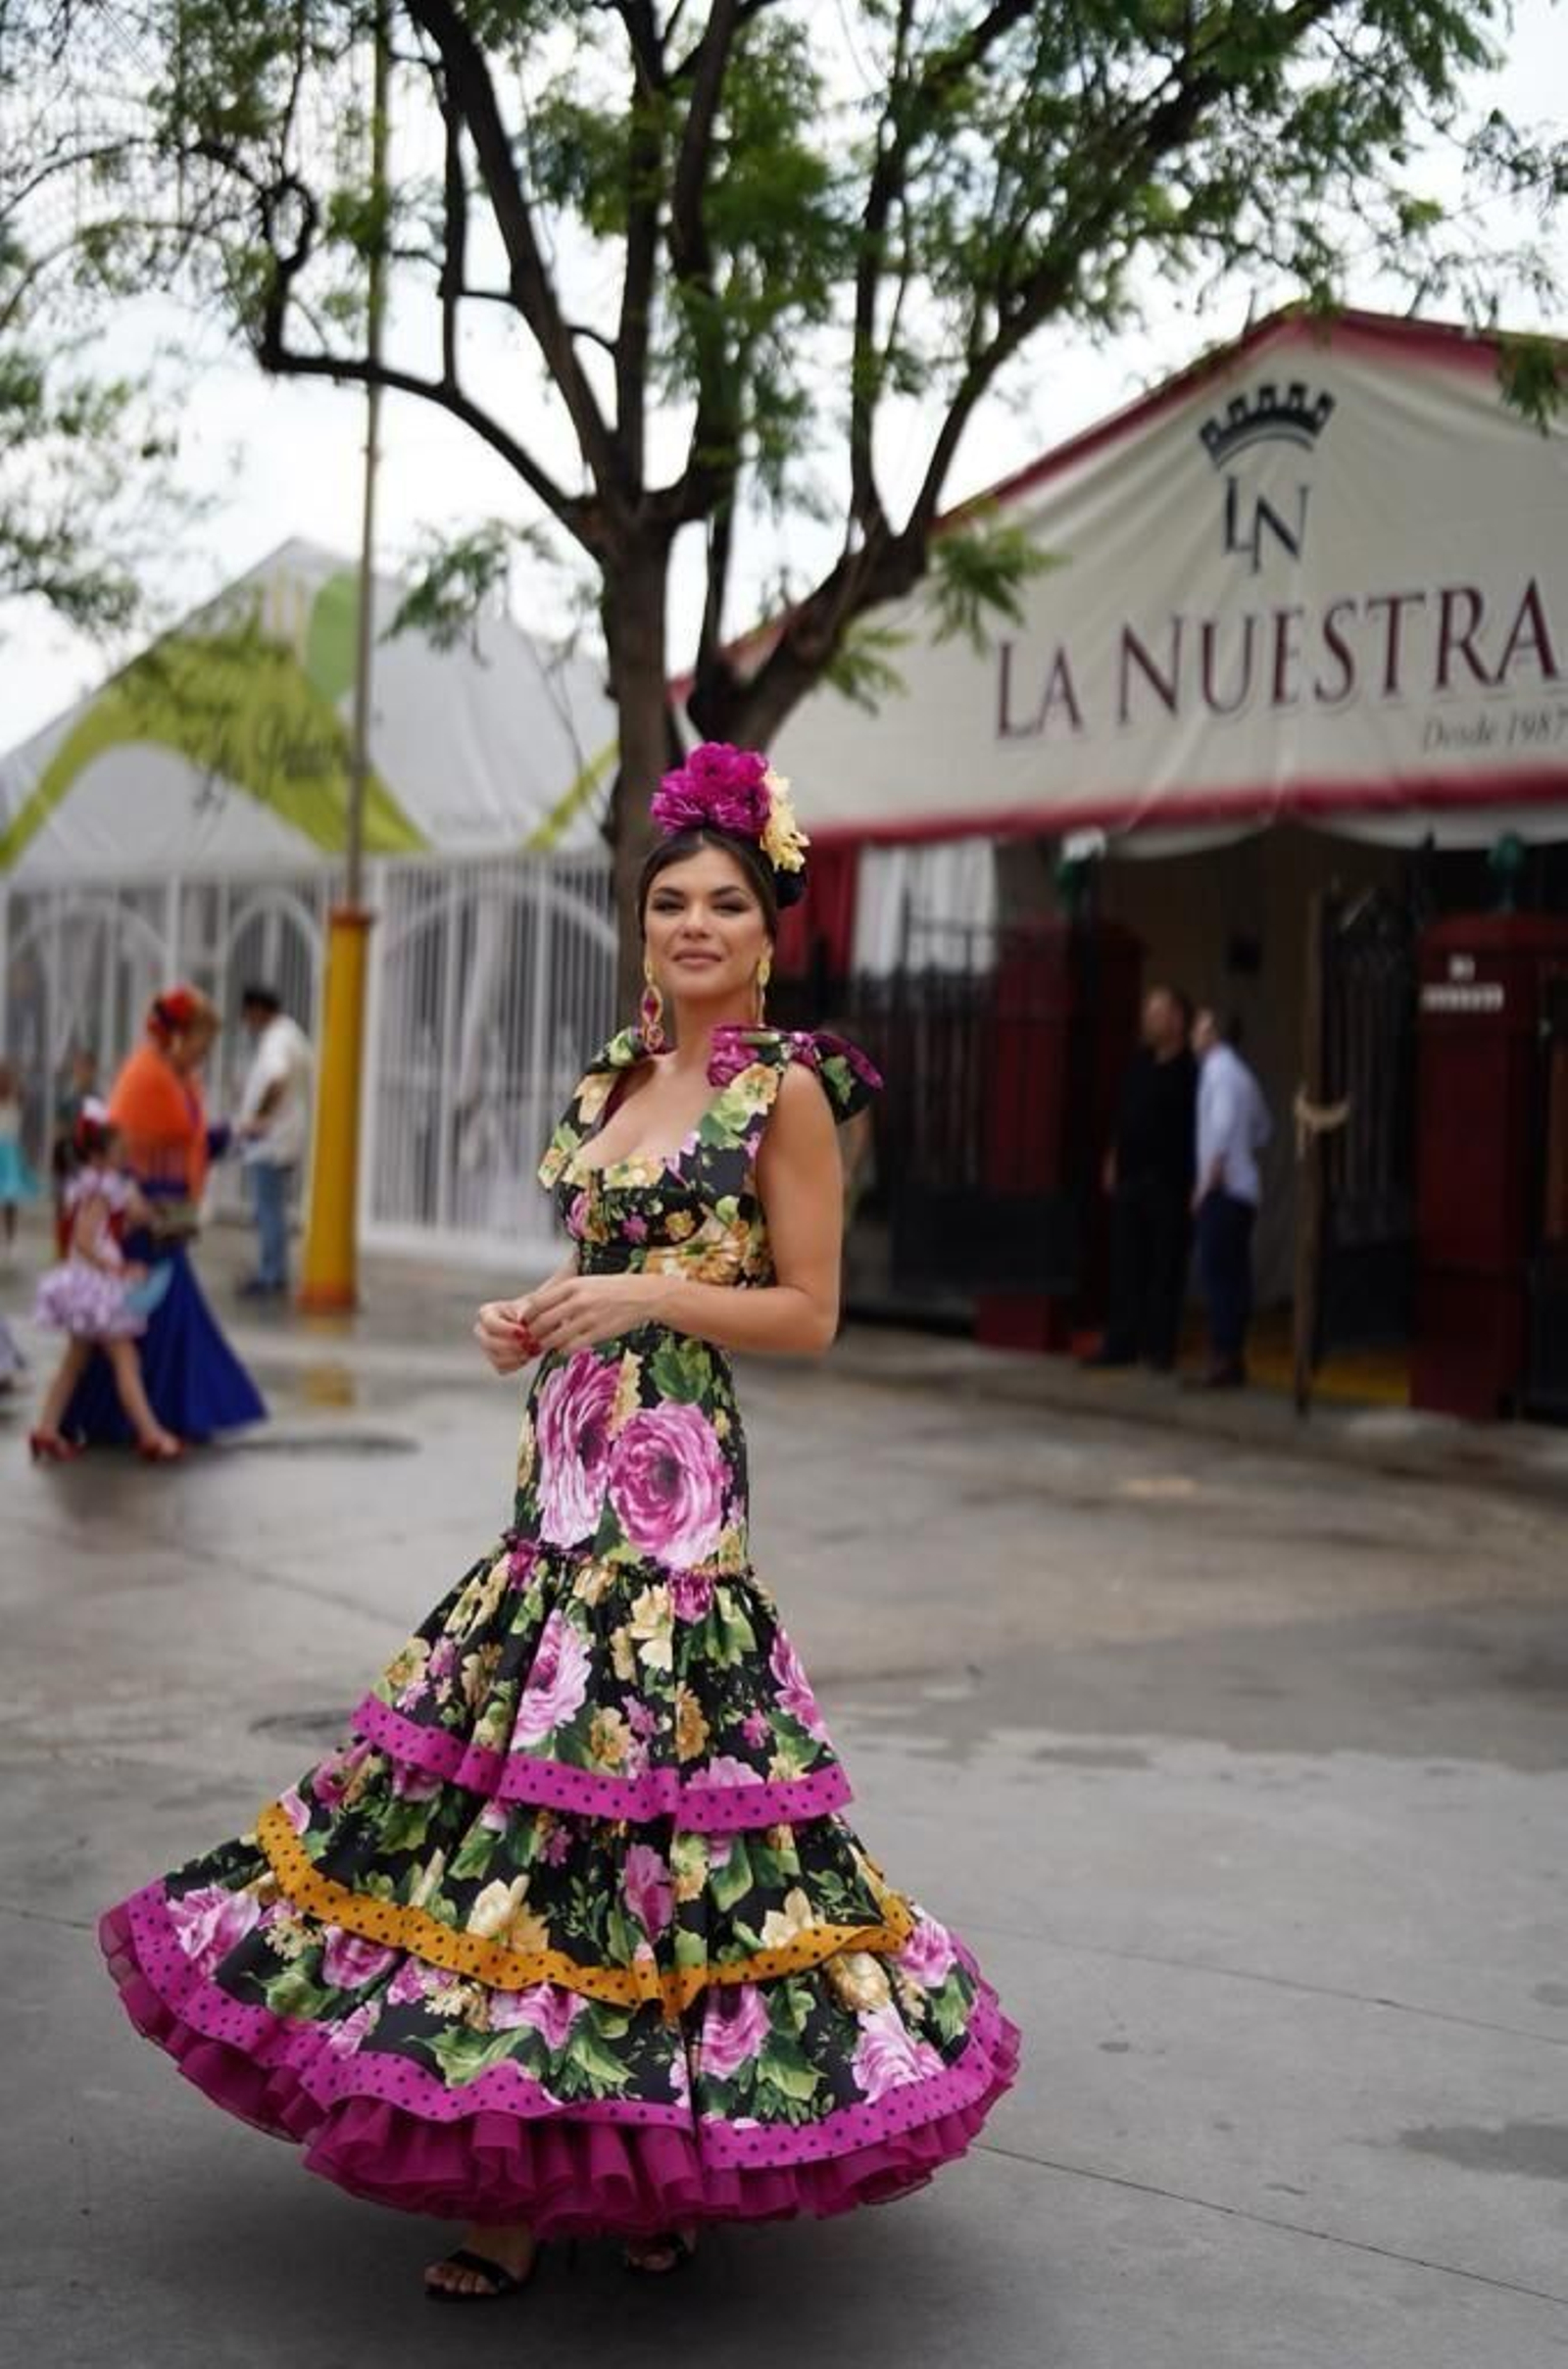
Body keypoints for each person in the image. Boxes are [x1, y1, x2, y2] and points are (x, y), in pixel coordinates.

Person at [100, 745, 1019, 2301]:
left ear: (770, 925)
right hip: (561, 1483)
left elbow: (810, 1315)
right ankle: (567, 2155)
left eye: (727, 901)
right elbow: (597, 1273)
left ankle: (627, 2165)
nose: (696, 927)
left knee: (646, 1816)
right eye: (671, 903)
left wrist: (644, 1294)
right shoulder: (617, 1077)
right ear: (644, 922)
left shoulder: (783, 1089)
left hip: (675, 1507)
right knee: (537, 1804)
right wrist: (534, 1316)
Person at [61, 986, 266, 1446]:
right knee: (155, 1318)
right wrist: (127, 1193)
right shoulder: (144, 1077)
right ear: (178, 1036)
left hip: (169, 1214)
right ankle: (145, 1419)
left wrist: (235, 1132)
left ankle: (147, 1416)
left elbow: (189, 1139)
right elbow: (115, 1145)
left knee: (159, 1320)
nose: (204, 1055)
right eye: (201, 1044)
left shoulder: (179, 1078)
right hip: (143, 1217)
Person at [28, 1102, 183, 1463]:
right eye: (119, 1152)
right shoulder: (100, 1188)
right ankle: (151, 1436)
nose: (125, 1156)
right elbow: (84, 1239)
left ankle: (46, 1431)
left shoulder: (93, 1185)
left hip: (87, 1284)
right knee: (125, 1361)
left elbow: (114, 1224)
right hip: (96, 1288)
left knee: (74, 1363)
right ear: (99, 1156)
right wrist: (115, 1269)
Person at [1085, 985, 1198, 1372]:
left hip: (1168, 1181)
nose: (1149, 1020)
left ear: (1177, 1021)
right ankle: (1121, 1343)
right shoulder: (1139, 1063)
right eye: (1148, 1012)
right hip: (1132, 1177)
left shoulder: (1191, 1071)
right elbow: (1125, 1115)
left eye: (1158, 1013)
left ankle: (1158, 1348)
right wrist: (1113, 1158)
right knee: (1126, 1265)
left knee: (1164, 1268)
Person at [1189, 1008, 1272, 1389]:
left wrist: (1209, 1179)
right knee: (1235, 1274)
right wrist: (1241, 1152)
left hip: (1222, 1188)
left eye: (1200, 1027)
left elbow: (1220, 1127)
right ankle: (1233, 1354)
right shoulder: (1244, 1076)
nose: (1194, 1034)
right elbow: (1263, 1129)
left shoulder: (1218, 1073)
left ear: (1212, 1033)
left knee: (1218, 1274)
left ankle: (1223, 1356)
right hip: (1245, 1189)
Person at [235, 984, 314, 1299]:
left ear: (257, 1010)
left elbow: (276, 1078)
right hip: (285, 1135)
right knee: (273, 1208)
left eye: (247, 1014)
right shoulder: (290, 1034)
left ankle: (272, 1274)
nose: (247, 1022)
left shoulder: (276, 1039)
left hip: (272, 1139)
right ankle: (274, 1270)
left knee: (268, 1210)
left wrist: (257, 1118)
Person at [51, 1046, 100, 1256]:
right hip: (69, 1158)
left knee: (86, 1205)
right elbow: (59, 1131)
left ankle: (83, 1246)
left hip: (88, 1159)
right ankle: (61, 1247)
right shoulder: (67, 1099)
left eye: (85, 1068)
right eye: (78, 1068)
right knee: (62, 1203)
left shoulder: (97, 1099)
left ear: (93, 1070)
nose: (80, 1073)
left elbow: (101, 1131)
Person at [0, 1058, 40, 1260]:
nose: (4, 1081)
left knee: (9, 1200)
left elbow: (24, 1092)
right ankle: (5, 1241)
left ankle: (10, 1241)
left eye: (5, 1077)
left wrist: (17, 1076)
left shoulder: (16, 1099)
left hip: (11, 1152)